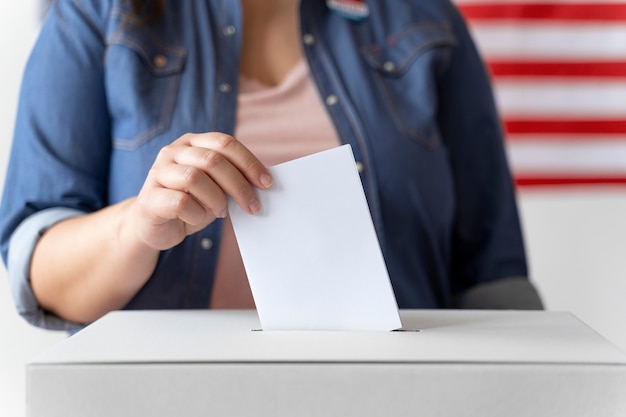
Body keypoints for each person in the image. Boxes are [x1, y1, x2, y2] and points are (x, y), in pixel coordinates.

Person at [0, 0, 542, 332]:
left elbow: (494, 274)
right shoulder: (96, 12)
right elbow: (36, 269)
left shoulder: (423, 17)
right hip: (164, 398)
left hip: (394, 396)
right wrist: (137, 227)